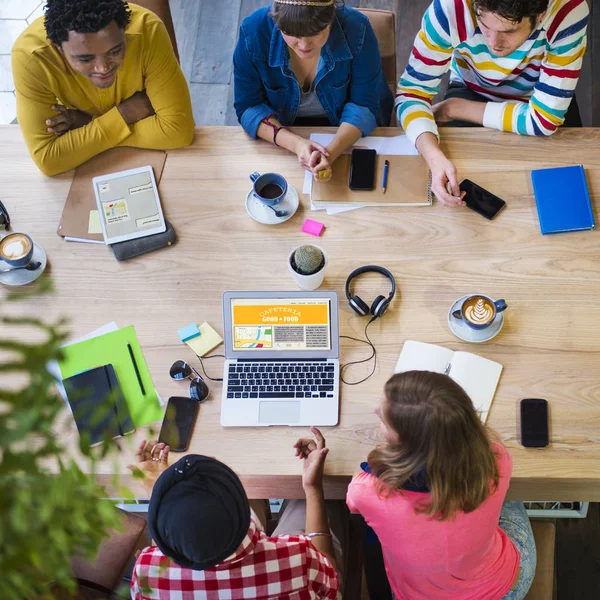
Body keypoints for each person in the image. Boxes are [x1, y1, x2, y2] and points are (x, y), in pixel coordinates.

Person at [347, 371, 537, 600]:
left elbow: (353, 507)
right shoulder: (497, 459)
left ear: (409, 447)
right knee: (511, 496)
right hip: (505, 589)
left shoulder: (369, 491)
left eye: (384, 419)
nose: (376, 412)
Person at [396, 0, 589, 206]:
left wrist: (453, 108)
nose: (493, 43)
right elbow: (411, 93)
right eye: (484, 25)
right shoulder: (450, 8)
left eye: (509, 31)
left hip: (538, 94)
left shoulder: (568, 11)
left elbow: (544, 120)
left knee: (570, 196)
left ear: (541, 14)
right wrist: (434, 157)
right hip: (472, 88)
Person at [129, 427, 347, 599]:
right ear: (244, 516)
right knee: (305, 504)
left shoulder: (147, 570)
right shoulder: (298, 557)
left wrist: (161, 495)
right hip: (299, 571)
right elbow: (329, 579)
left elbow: (173, 540)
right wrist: (313, 488)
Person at [12, 0, 194, 176]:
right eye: (85, 59)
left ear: (125, 32)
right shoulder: (30, 57)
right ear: (59, 48)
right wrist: (126, 113)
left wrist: (85, 124)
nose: (103, 68)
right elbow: (49, 160)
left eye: (115, 51)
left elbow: (179, 132)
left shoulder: (148, 30)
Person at [233, 0, 393, 181]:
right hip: (284, 130)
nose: (303, 45)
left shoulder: (358, 29)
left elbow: (363, 105)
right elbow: (249, 107)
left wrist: (329, 153)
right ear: (276, 21)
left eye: (316, 33)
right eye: (291, 33)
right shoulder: (253, 32)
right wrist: (297, 145)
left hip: (346, 129)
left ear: (332, 16)